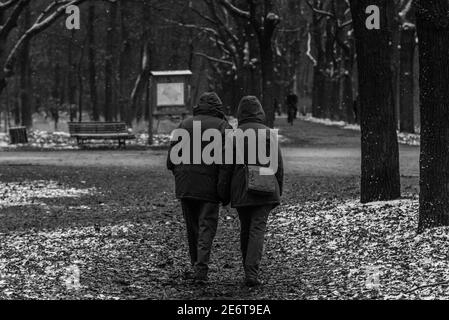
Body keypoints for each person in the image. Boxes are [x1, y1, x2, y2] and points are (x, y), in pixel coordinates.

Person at [167, 92, 233, 283]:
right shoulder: (223, 127)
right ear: (218, 109)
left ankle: (196, 263)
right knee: (206, 227)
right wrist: (223, 191)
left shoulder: (185, 124)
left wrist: (181, 175)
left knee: (192, 227)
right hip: (209, 188)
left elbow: (171, 160)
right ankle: (201, 268)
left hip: (186, 185)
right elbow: (227, 164)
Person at [230, 96, 284, 287]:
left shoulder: (234, 135)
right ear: (260, 112)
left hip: (241, 188)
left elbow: (226, 167)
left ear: (240, 113)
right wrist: (279, 187)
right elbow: (277, 164)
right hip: (265, 187)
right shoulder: (268, 133)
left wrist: (226, 191)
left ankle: (248, 268)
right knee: (257, 229)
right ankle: (252, 272)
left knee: (245, 228)